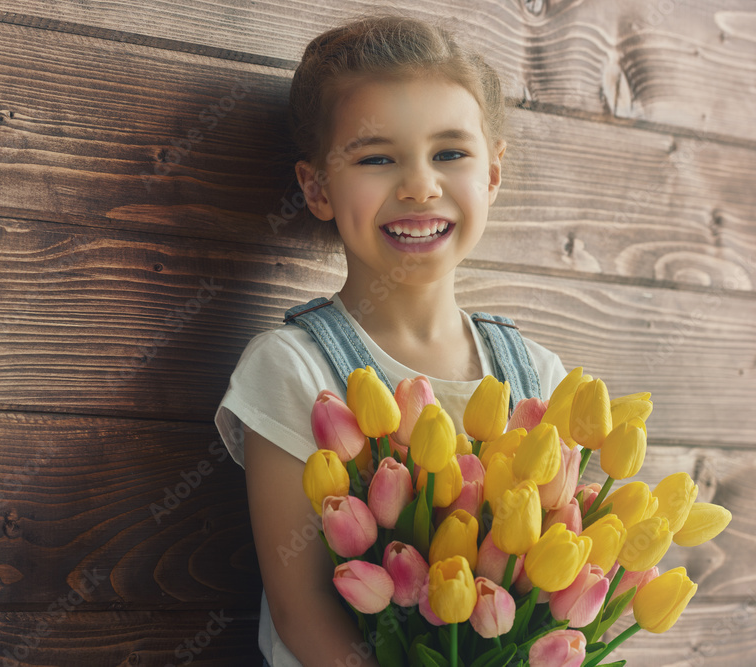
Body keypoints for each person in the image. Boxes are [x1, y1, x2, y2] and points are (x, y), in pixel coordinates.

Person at [214, 13, 568, 666]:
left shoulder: (541, 379)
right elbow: (302, 609)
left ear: (492, 174)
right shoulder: (293, 370)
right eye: (377, 158)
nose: (419, 185)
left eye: (450, 153)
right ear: (316, 187)